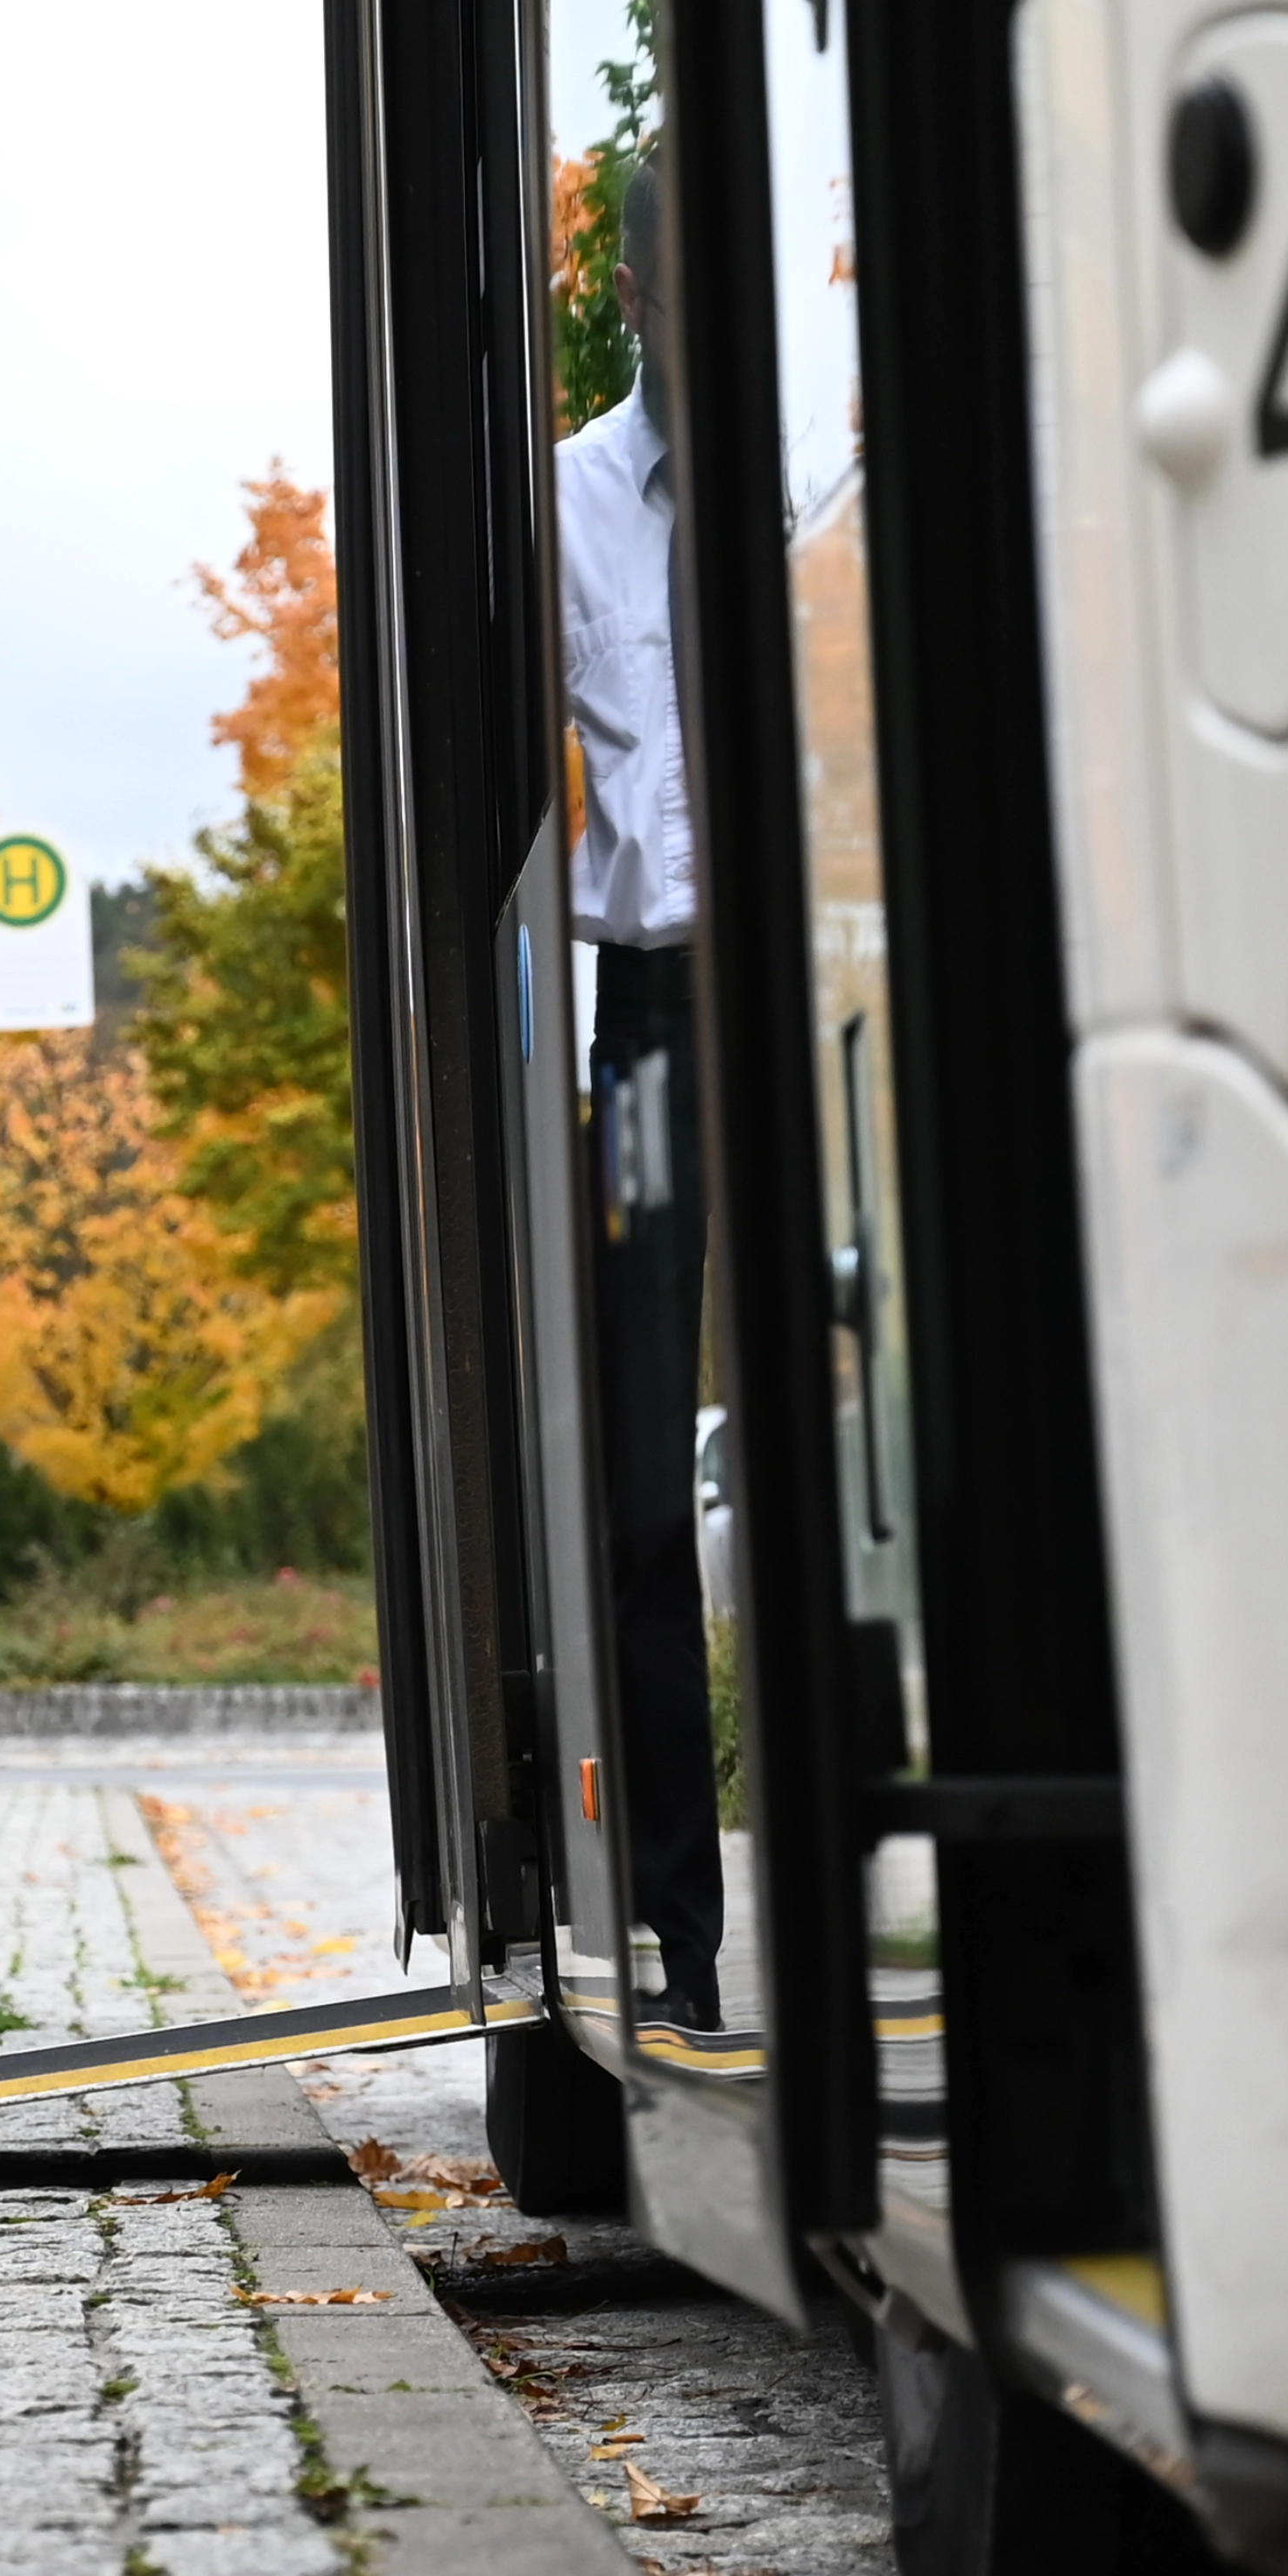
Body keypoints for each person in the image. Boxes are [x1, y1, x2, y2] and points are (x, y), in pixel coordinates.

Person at [561, 161, 722, 2027]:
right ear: (626, 293)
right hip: (649, 1012)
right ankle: (680, 1944)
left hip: (839, 985)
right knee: (627, 1491)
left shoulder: (828, 492)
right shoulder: (564, 504)